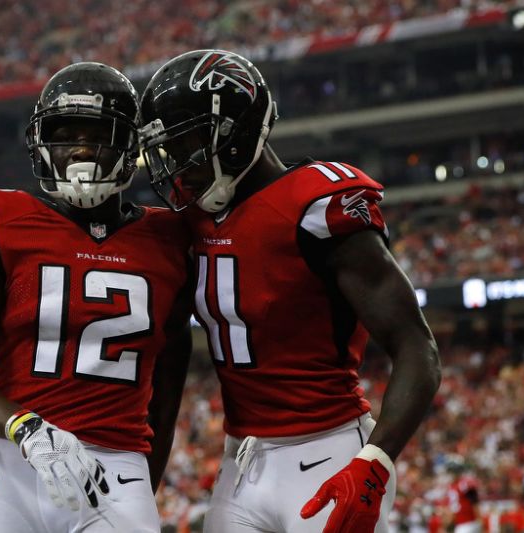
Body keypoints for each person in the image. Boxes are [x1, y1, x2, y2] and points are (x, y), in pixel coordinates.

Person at [139, 49, 441, 533]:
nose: (177, 166)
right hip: (241, 461)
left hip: (328, 451)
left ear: (234, 133)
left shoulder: (315, 205)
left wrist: (376, 462)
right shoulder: (189, 224)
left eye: (186, 144)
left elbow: (416, 346)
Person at [0, 62, 193, 533]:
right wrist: (24, 426)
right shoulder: (3, 220)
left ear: (129, 145)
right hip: (11, 457)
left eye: (97, 135)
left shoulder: (170, 238)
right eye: (65, 135)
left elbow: (167, 394)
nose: (80, 149)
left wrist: (141, 483)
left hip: (116, 464)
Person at [443, 454, 481, 533]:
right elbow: (452, 509)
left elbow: (475, 503)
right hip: (461, 524)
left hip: (468, 523)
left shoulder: (464, 484)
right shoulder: (452, 487)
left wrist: (480, 520)